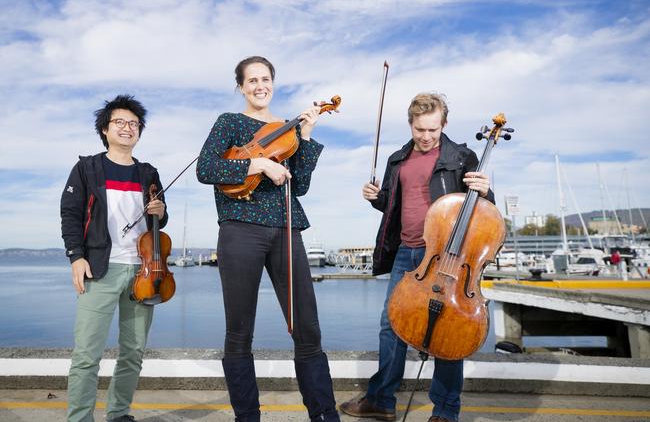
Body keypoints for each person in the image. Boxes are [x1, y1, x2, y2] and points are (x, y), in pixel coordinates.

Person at [196, 56, 340, 422]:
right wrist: (257, 164)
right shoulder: (229, 122)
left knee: (307, 329)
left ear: (273, 83)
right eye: (252, 80)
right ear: (241, 87)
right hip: (239, 229)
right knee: (239, 331)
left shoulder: (286, 131)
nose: (260, 85)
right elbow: (206, 168)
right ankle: (247, 417)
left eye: (266, 79)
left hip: (286, 228)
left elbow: (300, 186)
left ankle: (324, 415)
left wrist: (305, 137)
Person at [340, 93, 493, 422]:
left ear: (444, 124)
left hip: (447, 257)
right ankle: (382, 401)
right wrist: (376, 198)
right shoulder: (398, 160)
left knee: (449, 331)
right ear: (411, 124)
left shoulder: (462, 156)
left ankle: (445, 411)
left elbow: (481, 210)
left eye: (433, 130)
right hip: (406, 254)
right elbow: (394, 208)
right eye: (419, 129)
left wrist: (485, 189)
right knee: (391, 325)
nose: (426, 137)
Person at [60, 95, 167, 422]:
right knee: (86, 356)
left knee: (133, 354)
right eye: (119, 122)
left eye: (133, 123)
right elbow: (70, 214)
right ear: (105, 129)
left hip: (143, 273)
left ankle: (119, 414)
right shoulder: (87, 168)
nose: (127, 127)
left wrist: (160, 213)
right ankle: (80, 418)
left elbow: (159, 223)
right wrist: (76, 256)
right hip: (99, 270)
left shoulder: (148, 173)